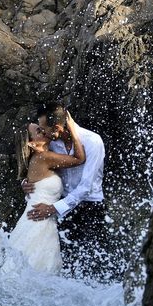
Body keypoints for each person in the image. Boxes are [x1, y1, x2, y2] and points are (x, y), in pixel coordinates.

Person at [23, 102, 107, 278]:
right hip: (61, 210)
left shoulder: (92, 142)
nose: (42, 132)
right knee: (65, 270)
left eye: (44, 129)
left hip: (89, 209)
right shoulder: (51, 143)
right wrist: (28, 182)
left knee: (92, 269)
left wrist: (53, 208)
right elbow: (39, 164)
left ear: (57, 128)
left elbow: (86, 187)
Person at [7, 114, 86, 273]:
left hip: (39, 221)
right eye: (38, 131)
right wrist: (72, 129)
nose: (43, 131)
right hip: (38, 223)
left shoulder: (40, 159)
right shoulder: (43, 157)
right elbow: (79, 159)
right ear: (31, 144)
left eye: (41, 128)